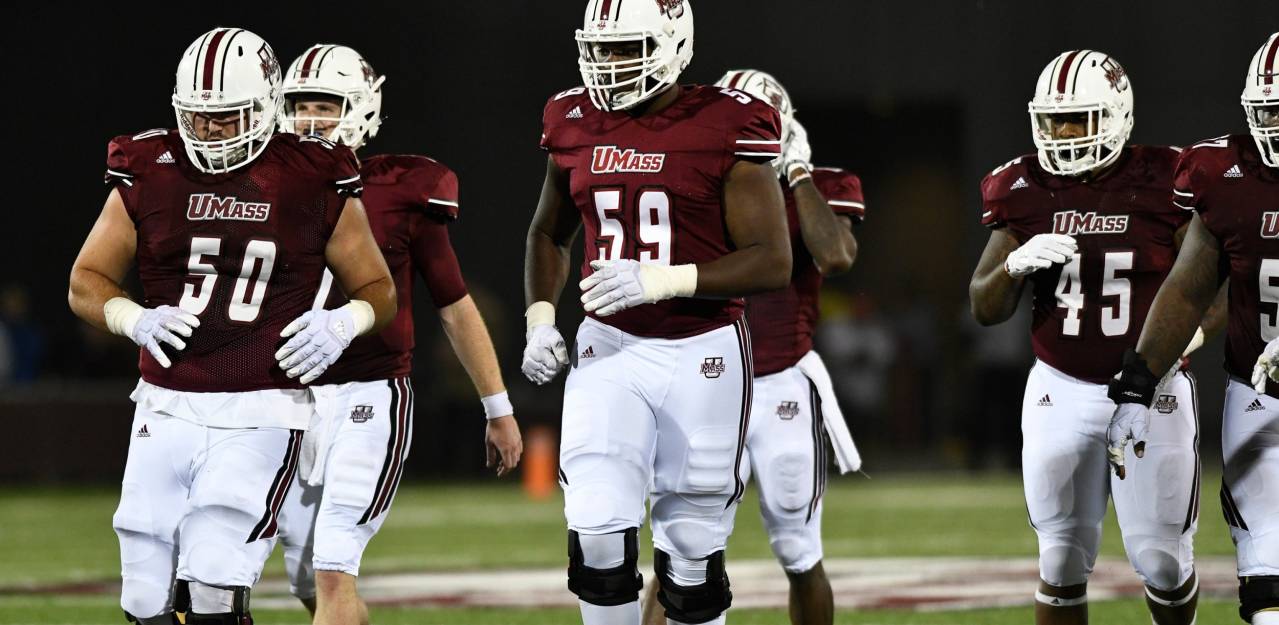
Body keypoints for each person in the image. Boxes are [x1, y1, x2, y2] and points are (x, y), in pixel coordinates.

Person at [67, 28, 395, 625]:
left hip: (263, 405)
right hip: (164, 402)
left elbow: (379, 289)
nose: (211, 131)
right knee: (143, 598)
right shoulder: (150, 166)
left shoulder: (312, 172)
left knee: (216, 589)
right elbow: (85, 279)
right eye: (198, 116)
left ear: (267, 105)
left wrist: (344, 323)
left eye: (228, 116)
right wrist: (131, 317)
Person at [522, 1, 793, 623]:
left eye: (628, 47)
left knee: (693, 550)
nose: (609, 64)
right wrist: (540, 317)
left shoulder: (727, 122)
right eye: (601, 48)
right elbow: (546, 232)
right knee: (595, 528)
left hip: (703, 347)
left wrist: (666, 279)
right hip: (608, 344)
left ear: (675, 45)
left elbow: (771, 261)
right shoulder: (571, 118)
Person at [271, 43, 523, 625]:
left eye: (325, 105)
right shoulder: (260, 185)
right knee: (308, 579)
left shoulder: (401, 189)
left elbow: (455, 306)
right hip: (285, 400)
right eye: (299, 105)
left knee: (335, 571)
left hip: (370, 392)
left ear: (360, 108)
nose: (309, 119)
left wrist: (497, 405)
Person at [969, 50, 1216, 625]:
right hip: (1059, 384)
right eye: (1056, 122)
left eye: (1080, 120)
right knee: (1059, 559)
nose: (1066, 135)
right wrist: (1013, 265)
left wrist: (1190, 340)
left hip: (1150, 386)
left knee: (1161, 560)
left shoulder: (1170, 178)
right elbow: (984, 305)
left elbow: (1215, 274)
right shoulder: (1021, 188)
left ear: (1118, 115)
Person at [1105, 32, 1279, 625]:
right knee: (1267, 581)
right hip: (1262, 398)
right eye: (1271, 111)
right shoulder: (1223, 173)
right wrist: (1138, 381)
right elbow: (1187, 287)